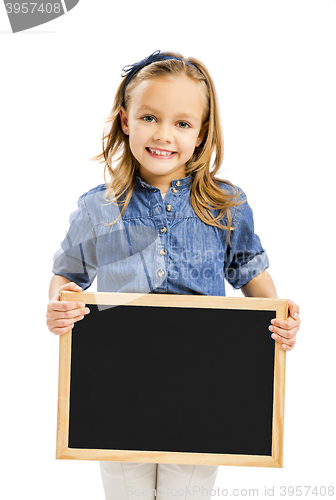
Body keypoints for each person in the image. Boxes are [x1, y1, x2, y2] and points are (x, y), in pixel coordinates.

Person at [46, 50, 301, 500]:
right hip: (118, 392)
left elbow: (252, 278)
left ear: (202, 133)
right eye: (149, 117)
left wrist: (280, 318)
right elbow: (68, 276)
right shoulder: (98, 207)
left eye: (183, 123)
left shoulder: (226, 205)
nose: (164, 135)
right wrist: (59, 308)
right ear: (125, 120)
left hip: (203, 392)